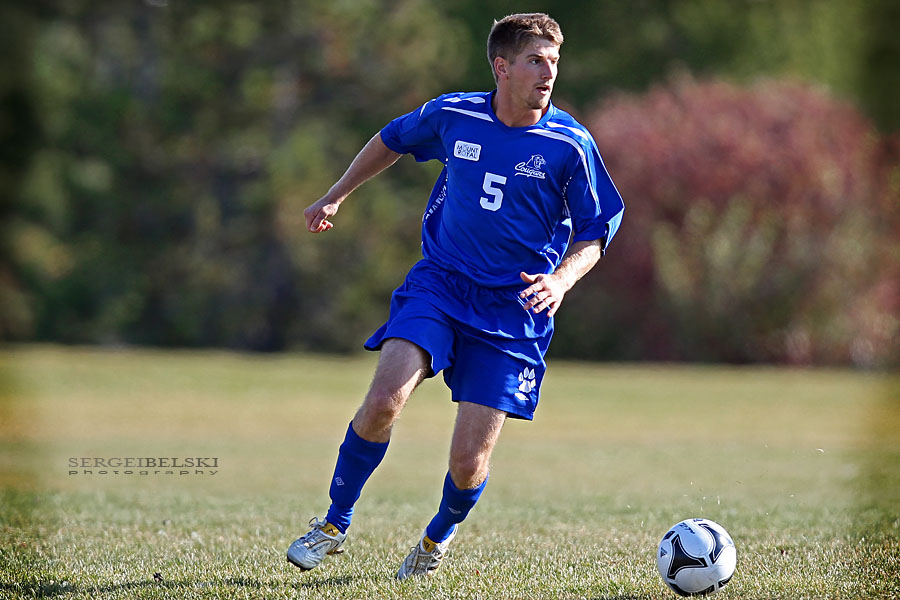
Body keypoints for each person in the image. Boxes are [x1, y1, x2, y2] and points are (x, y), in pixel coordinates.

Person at [287, 12, 624, 579]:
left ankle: (435, 539)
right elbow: (390, 140)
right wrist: (336, 194)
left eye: (554, 62)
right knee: (383, 402)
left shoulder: (570, 144)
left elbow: (595, 231)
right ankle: (333, 525)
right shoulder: (454, 115)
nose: (549, 73)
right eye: (536, 61)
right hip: (441, 284)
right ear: (502, 67)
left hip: (516, 309)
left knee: (468, 464)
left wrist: (560, 281)